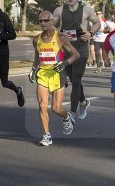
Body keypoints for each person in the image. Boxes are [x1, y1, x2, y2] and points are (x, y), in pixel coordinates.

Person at [30, 10, 80, 146]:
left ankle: (67, 116)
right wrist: (33, 70)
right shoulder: (36, 39)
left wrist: (64, 63)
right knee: (42, 105)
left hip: (58, 74)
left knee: (56, 108)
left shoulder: (60, 37)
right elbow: (37, 57)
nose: (43, 23)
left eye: (46, 20)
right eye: (40, 21)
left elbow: (76, 55)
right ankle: (46, 135)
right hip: (43, 74)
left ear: (52, 21)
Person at [52, 0, 101, 120]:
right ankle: (84, 102)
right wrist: (59, 33)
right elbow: (51, 26)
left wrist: (90, 33)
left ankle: (72, 113)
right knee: (74, 80)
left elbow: (97, 23)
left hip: (81, 48)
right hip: (65, 49)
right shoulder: (59, 10)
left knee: (76, 81)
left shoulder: (87, 10)